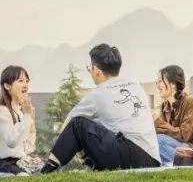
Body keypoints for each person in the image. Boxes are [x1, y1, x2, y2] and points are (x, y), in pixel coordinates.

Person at [39, 44, 160, 173]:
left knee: (78, 124)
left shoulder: (97, 93)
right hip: (152, 159)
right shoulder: (136, 86)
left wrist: (66, 144)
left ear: (96, 70)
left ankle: (46, 170)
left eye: (89, 68)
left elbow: (69, 127)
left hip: (129, 156)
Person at [153, 65, 193, 164]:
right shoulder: (165, 106)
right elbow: (165, 134)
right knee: (152, 141)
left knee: (158, 141)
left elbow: (185, 135)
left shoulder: (190, 102)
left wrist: (162, 126)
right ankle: (175, 163)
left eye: (160, 81)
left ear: (173, 84)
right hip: (177, 146)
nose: (157, 85)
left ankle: (185, 162)